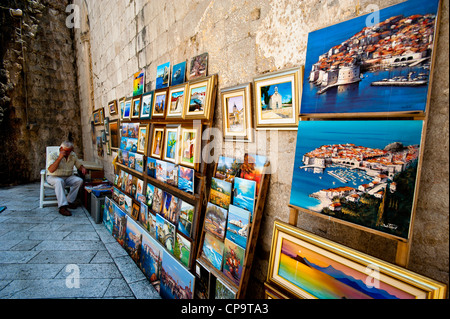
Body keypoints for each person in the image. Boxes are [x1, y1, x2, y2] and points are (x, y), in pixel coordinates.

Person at [47, 141, 87, 216]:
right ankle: (62, 207)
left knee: (79, 180)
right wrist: (59, 158)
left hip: (68, 176)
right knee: (59, 181)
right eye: (66, 151)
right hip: (54, 177)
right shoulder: (53, 155)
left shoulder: (72, 155)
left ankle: (69, 201)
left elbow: (78, 165)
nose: (68, 153)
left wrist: (82, 168)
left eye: (70, 151)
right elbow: (51, 170)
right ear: (61, 149)